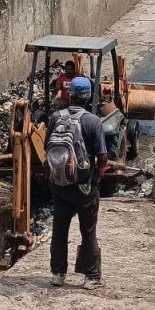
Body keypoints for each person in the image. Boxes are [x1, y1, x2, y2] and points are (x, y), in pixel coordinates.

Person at [47, 76, 108, 290]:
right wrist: (97, 177)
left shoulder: (56, 117)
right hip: (84, 187)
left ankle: (58, 274)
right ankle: (91, 277)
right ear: (88, 97)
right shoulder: (93, 121)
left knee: (59, 228)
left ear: (69, 95)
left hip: (59, 184)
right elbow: (102, 157)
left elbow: (48, 148)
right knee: (88, 230)